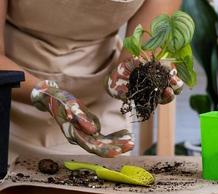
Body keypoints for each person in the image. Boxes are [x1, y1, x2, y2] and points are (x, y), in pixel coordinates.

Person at [0, 0, 183, 160]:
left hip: (99, 111)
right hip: (8, 103)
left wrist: (139, 74)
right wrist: (49, 96)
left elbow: (142, 49)